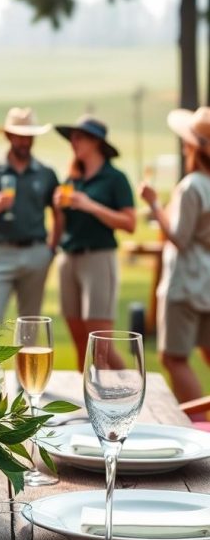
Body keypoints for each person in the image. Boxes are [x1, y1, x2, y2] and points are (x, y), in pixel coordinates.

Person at [53, 116, 136, 369]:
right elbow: (61, 226)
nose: (73, 142)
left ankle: (132, 391)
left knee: (101, 345)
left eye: (79, 137)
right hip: (69, 259)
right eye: (72, 138)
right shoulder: (71, 180)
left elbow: (129, 223)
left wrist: (90, 205)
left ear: (96, 142)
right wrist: (57, 208)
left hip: (99, 259)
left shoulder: (115, 178)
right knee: (80, 343)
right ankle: (86, 398)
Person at [140, 107, 210, 403]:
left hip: (185, 283)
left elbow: (180, 237)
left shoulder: (193, 184)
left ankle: (198, 426)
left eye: (186, 141)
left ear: (194, 146)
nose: (183, 146)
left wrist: (155, 204)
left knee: (173, 358)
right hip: (207, 279)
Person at [0, 106, 62, 325]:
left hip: (37, 254)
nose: (24, 142)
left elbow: (59, 212)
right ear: (8, 136)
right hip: (2, 254)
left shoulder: (46, 173)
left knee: (30, 326)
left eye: (29, 137)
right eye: (19, 137)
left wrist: (51, 249)